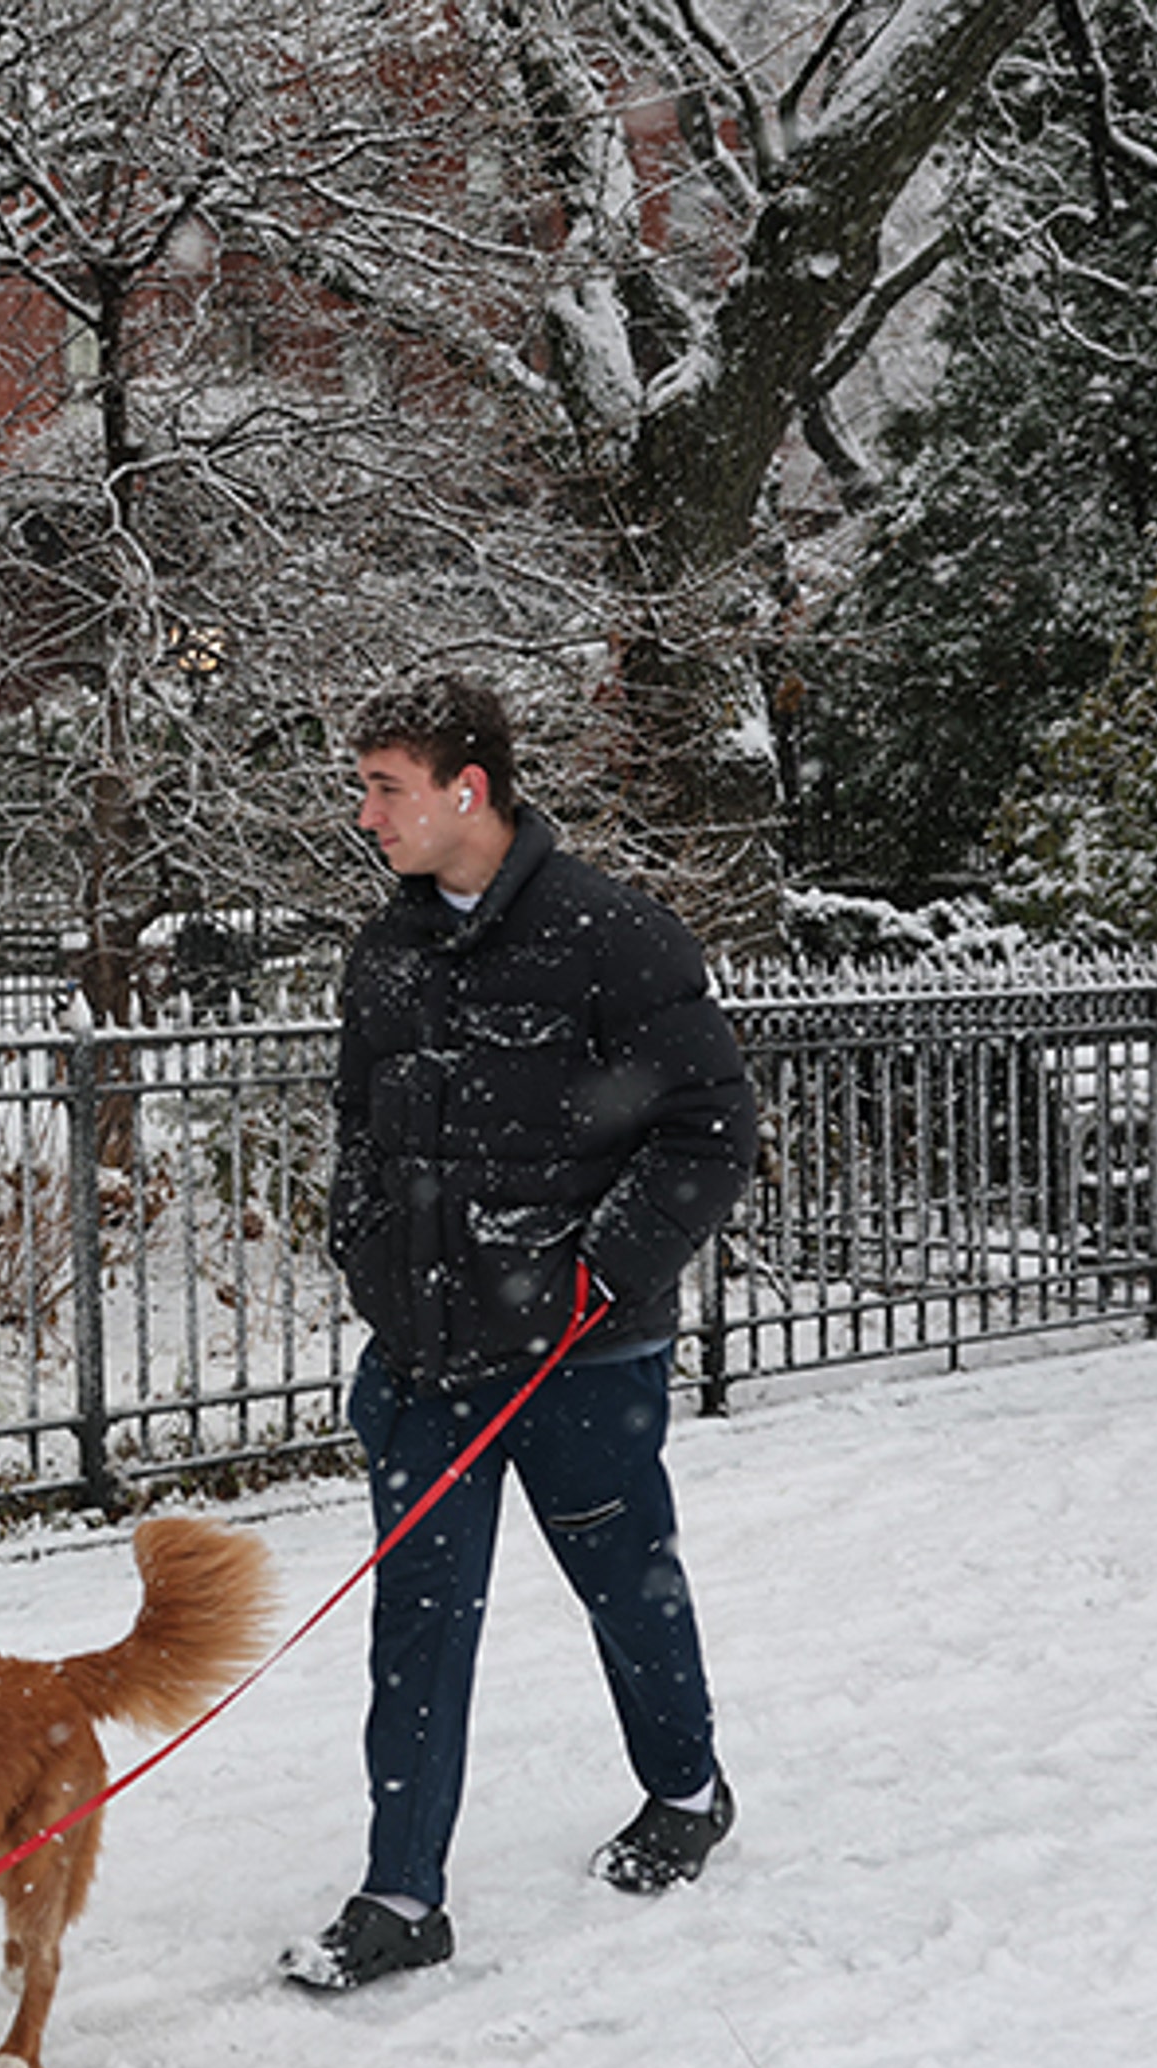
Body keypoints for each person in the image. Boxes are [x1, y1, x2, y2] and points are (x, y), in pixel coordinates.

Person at [278, 672, 764, 1995]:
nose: (365, 813)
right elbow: (363, 1129)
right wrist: (369, 1253)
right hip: (428, 1359)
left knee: (625, 1588)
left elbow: (710, 1133)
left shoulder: (612, 936)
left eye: (385, 787)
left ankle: (685, 1790)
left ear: (465, 791)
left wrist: (596, 1280)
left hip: (582, 1360)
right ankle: (401, 1897)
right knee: (418, 1623)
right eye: (365, 785)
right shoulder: (384, 953)